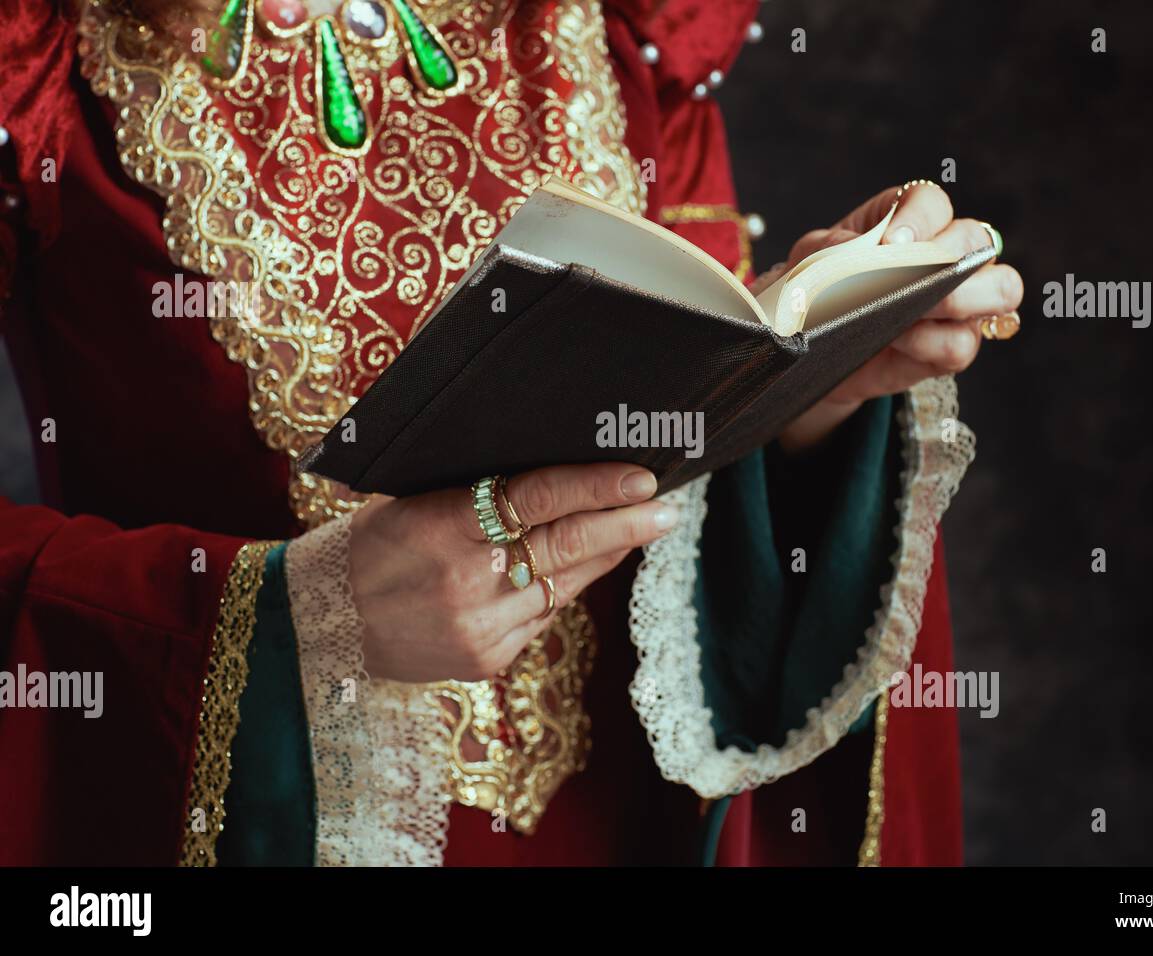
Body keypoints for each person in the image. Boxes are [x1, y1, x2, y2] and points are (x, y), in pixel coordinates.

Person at [0, 0, 1023, 865]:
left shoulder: (610, 32)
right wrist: (296, 616)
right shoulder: (36, 71)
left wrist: (807, 404)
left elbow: (677, 466)